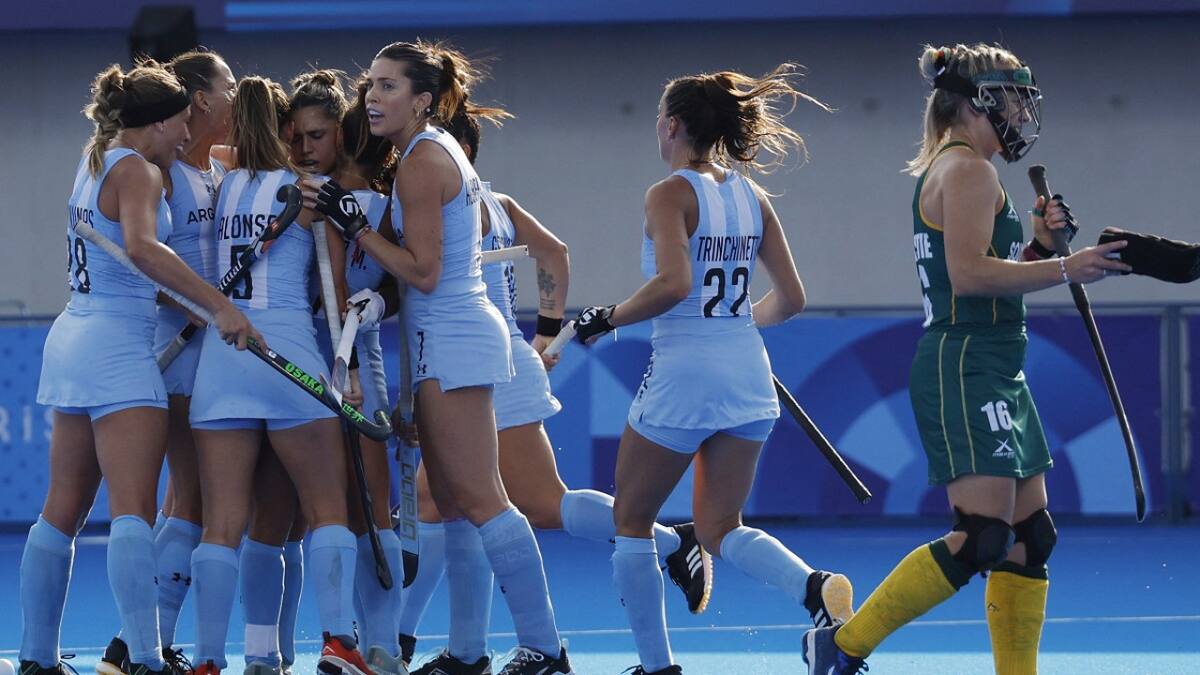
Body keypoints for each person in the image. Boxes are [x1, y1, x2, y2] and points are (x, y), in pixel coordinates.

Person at [801, 43, 1130, 675]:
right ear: (979, 103)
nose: (1022, 115)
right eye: (1013, 100)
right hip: (966, 364)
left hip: (993, 361)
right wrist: (1069, 266)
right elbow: (970, 276)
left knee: (1029, 539)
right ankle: (841, 646)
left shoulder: (963, 168)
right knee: (983, 536)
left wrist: (1039, 250)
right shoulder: (970, 171)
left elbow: (989, 276)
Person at [399, 109, 711, 675]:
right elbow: (555, 252)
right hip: (487, 356)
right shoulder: (497, 202)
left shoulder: (452, 202)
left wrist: (543, 336)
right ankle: (444, 647)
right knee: (437, 503)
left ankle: (668, 540)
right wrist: (543, 331)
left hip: (483, 363)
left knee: (539, 504)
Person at [569, 64, 853, 675]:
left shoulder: (668, 194)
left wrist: (606, 317)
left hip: (684, 375)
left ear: (672, 125)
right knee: (721, 527)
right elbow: (792, 299)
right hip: (747, 371)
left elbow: (674, 285)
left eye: (659, 119)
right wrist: (737, 326)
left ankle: (657, 666)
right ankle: (814, 587)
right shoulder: (754, 196)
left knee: (631, 521)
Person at [305, 39, 573, 675]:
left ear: (423, 99)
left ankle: (544, 648)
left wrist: (354, 225)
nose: (372, 97)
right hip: (446, 339)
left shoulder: (422, 161)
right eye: (370, 85)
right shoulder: (425, 152)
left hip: (453, 339)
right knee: (452, 504)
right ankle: (470, 652)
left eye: (389, 86)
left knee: (483, 499)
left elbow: (423, 273)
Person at [24, 60, 257, 675]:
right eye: (180, 123)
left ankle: (36, 657)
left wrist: (199, 308)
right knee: (133, 510)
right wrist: (220, 306)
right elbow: (142, 248)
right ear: (156, 123)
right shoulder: (141, 171)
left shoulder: (96, 158)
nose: (186, 135)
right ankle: (146, 659)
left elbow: (126, 262)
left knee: (62, 509)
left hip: (73, 336)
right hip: (116, 346)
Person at [186, 76, 369, 675]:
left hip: (223, 360)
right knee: (326, 509)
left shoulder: (219, 183)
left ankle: (210, 659)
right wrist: (350, 370)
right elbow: (336, 293)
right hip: (288, 357)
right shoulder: (312, 193)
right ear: (289, 131)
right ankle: (339, 643)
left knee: (222, 525)